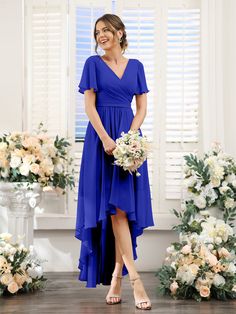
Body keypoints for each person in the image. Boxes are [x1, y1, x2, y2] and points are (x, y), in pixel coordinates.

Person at [75, 13, 154, 310]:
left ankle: (118, 275)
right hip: (100, 141)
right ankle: (134, 279)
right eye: (97, 32)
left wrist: (128, 140)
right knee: (114, 209)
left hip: (128, 142)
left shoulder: (136, 67)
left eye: (106, 30)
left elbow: (142, 107)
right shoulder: (92, 64)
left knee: (121, 208)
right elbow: (89, 106)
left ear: (120, 33)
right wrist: (108, 140)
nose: (101, 36)